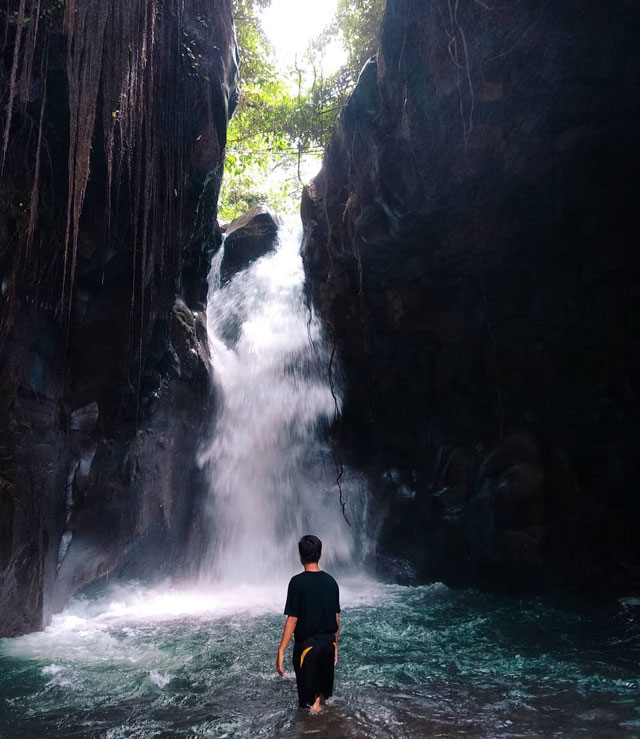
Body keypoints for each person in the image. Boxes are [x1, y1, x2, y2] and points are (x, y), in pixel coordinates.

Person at [276, 534, 341, 713]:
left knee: (307, 708)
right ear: (321, 555)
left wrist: (281, 650)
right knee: (322, 699)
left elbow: (293, 619)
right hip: (329, 644)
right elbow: (336, 618)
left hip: (308, 649)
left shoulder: (297, 583)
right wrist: (335, 647)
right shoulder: (332, 582)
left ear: (300, 556)